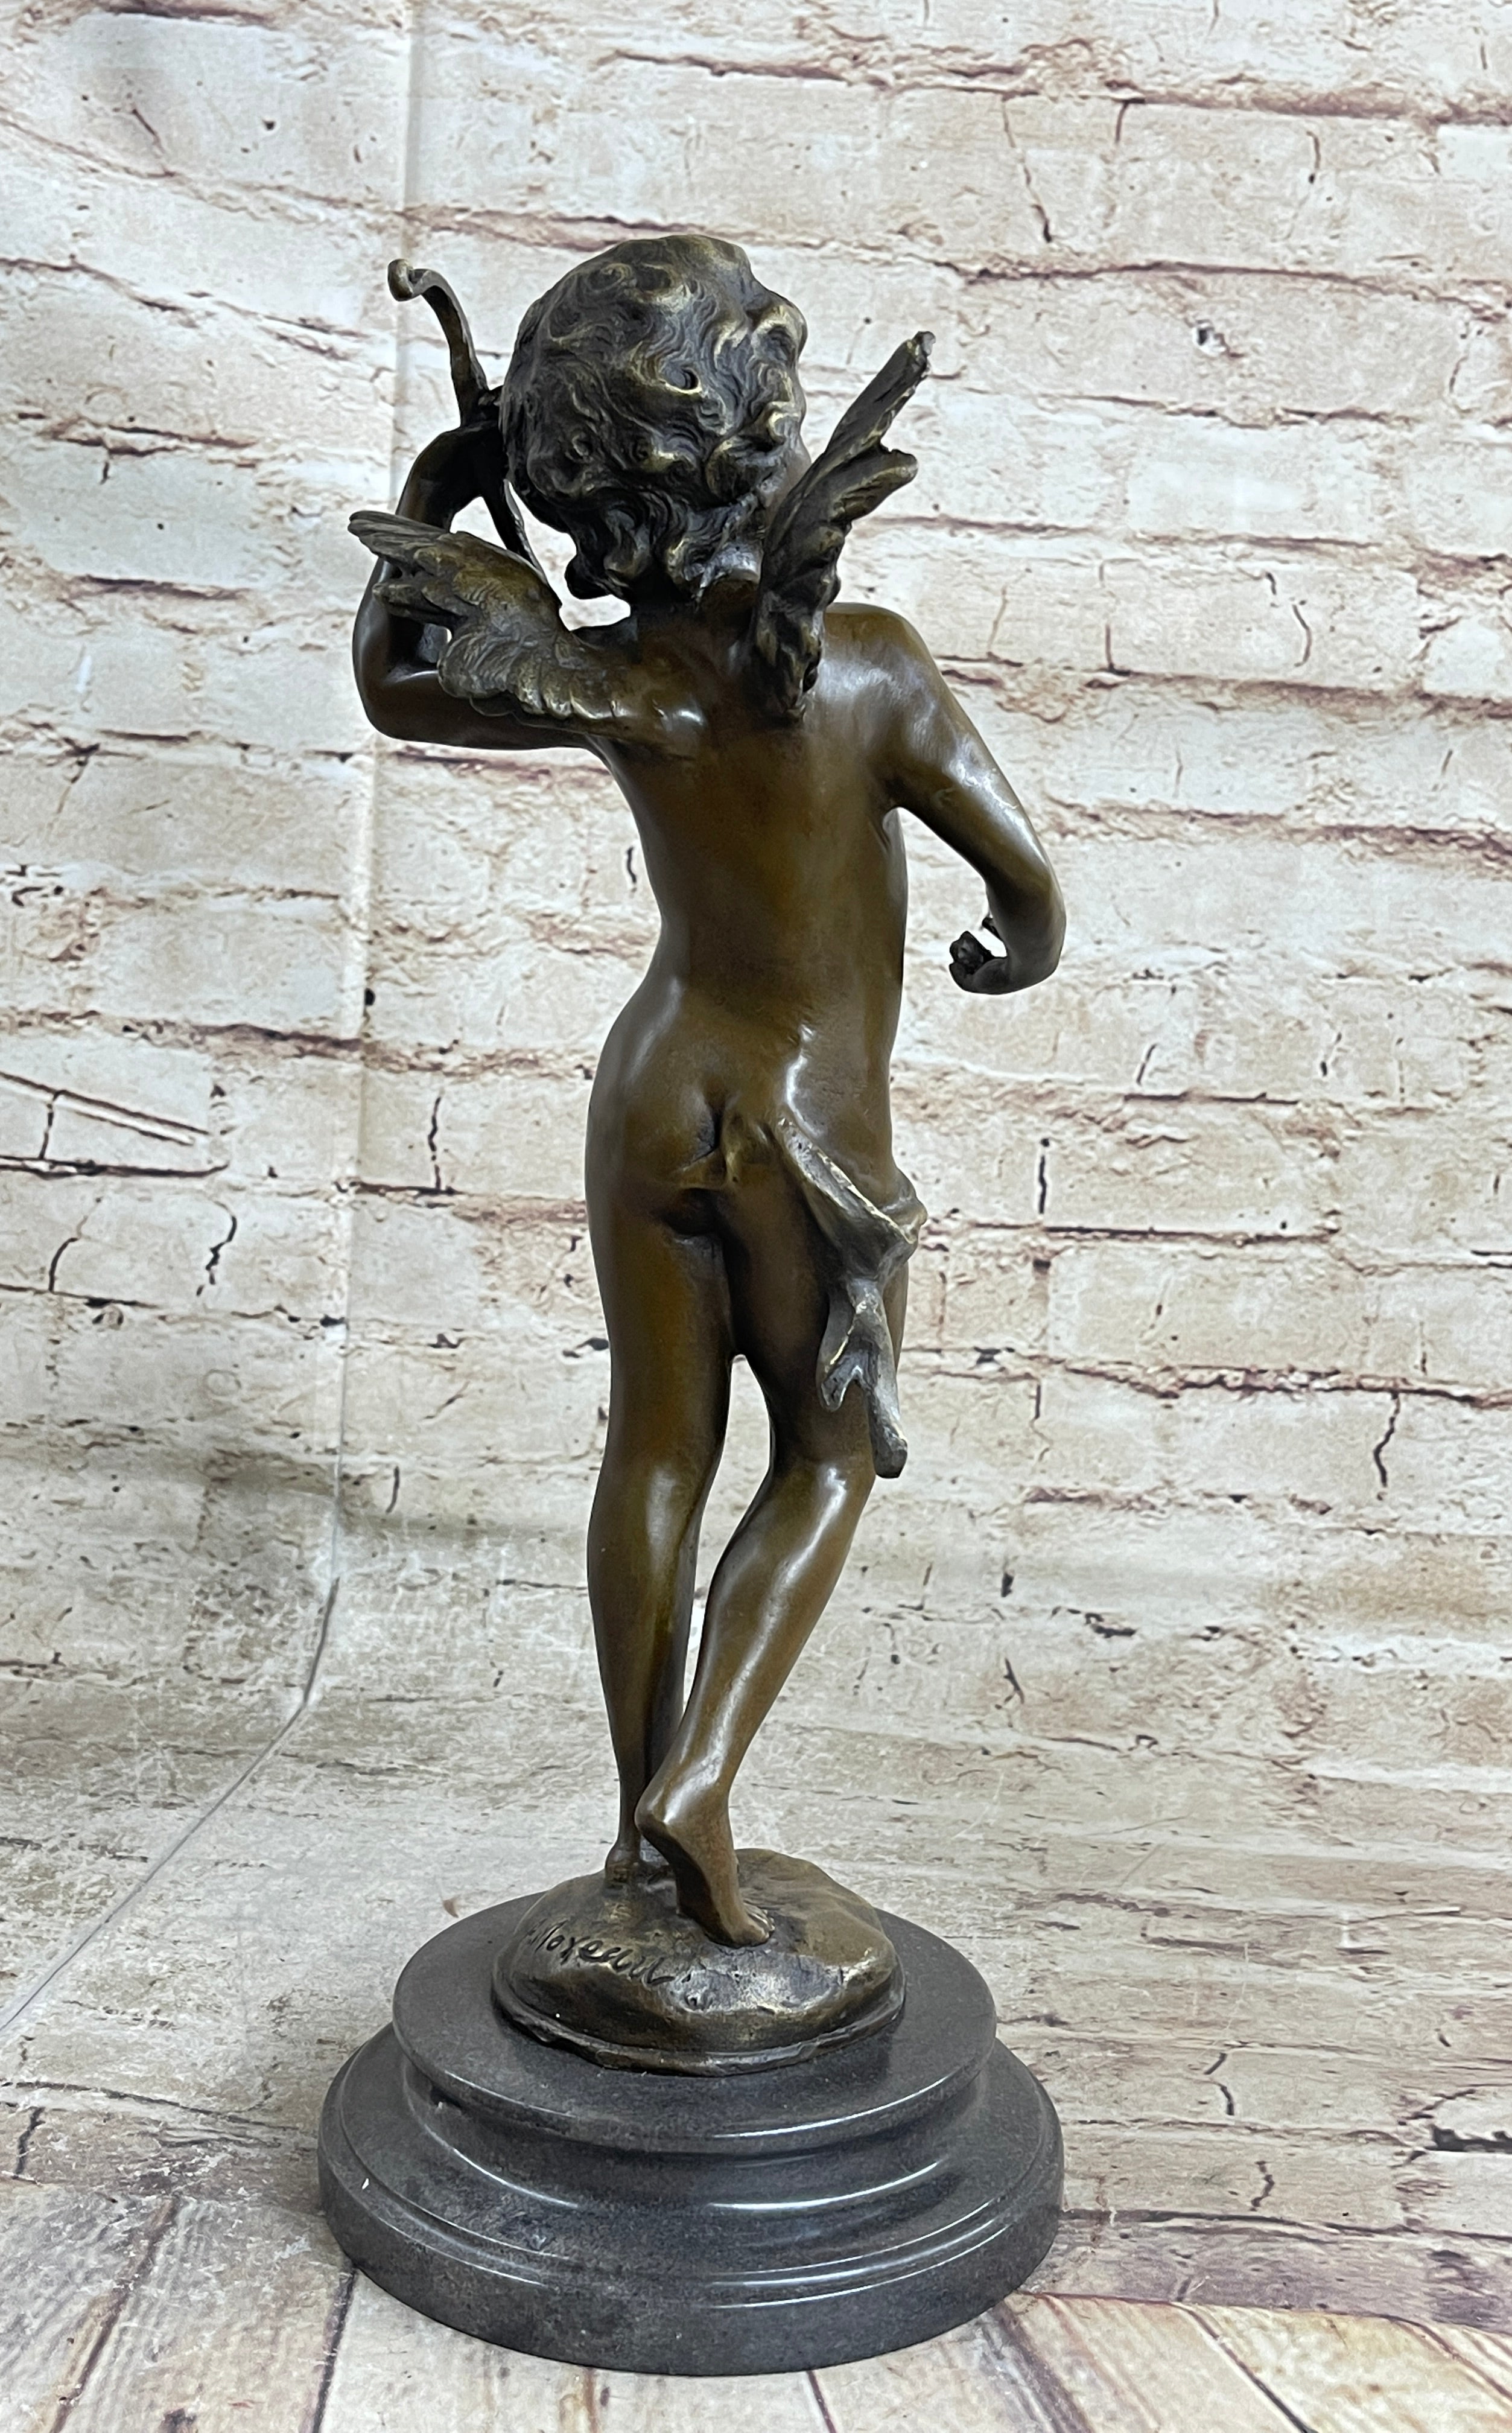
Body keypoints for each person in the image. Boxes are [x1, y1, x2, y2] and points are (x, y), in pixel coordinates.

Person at [351, 235, 1064, 1946]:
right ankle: (705, 1777)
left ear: (576, 488)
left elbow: (395, 689)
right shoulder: (870, 666)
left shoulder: (616, 680)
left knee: (654, 1452)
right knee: (826, 1455)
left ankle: (633, 1818)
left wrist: (438, 500)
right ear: (771, 432)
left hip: (654, 1091)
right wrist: (1015, 946)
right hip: (810, 1126)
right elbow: (1029, 887)